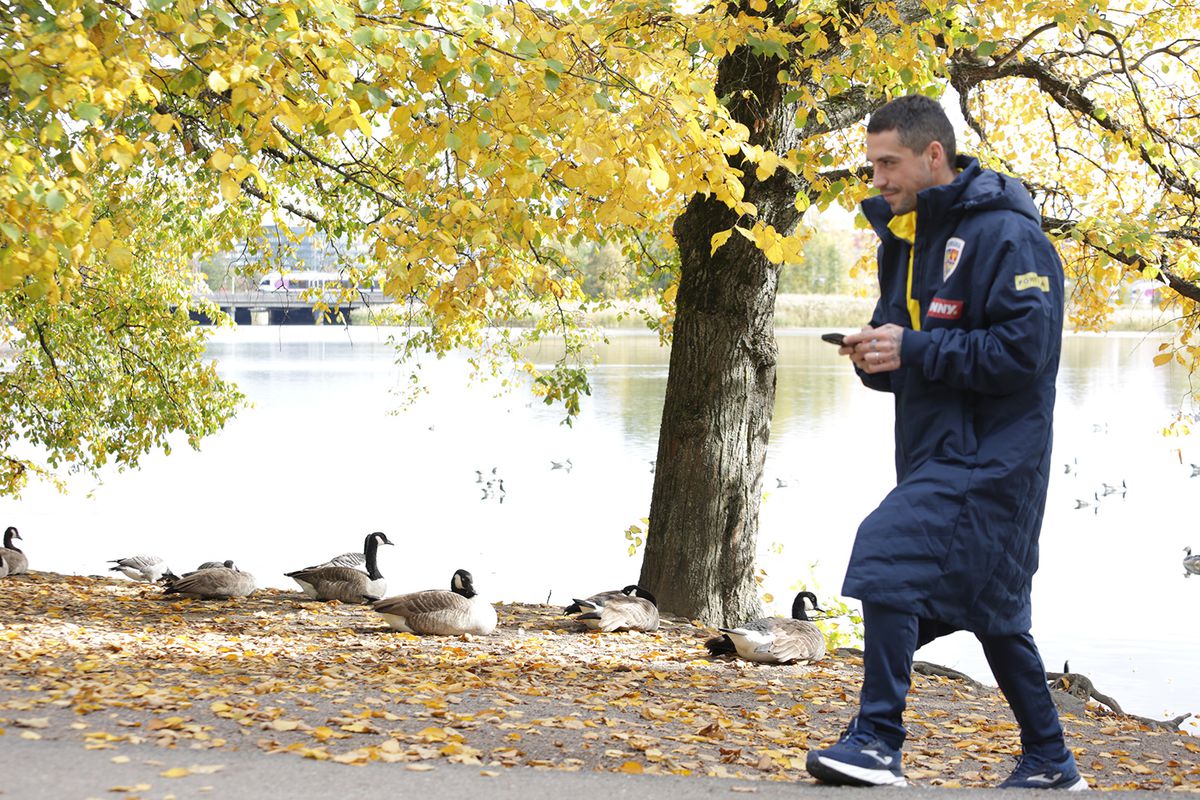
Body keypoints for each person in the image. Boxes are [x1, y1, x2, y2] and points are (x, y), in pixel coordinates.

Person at [805, 94, 1086, 791]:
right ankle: (1051, 761)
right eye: (871, 165)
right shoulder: (904, 243)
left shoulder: (1008, 236)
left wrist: (917, 351)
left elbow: (1025, 353)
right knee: (998, 616)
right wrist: (878, 357)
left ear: (935, 155)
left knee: (887, 552)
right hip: (935, 453)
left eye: (888, 162)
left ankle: (878, 740)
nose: (877, 179)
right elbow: (913, 355)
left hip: (995, 459)